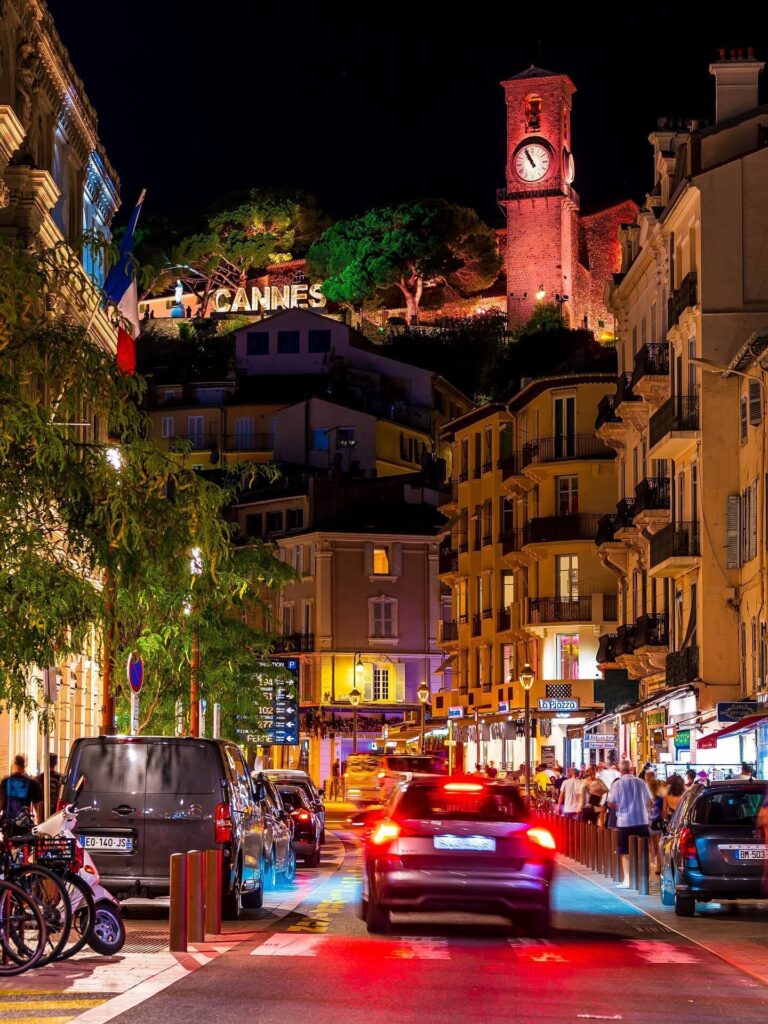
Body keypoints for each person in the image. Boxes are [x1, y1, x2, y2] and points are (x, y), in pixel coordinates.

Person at [607, 760, 651, 888]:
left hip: (624, 822)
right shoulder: (641, 782)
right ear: (632, 769)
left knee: (625, 852)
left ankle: (627, 879)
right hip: (642, 821)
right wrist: (645, 811)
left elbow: (610, 803)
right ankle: (644, 878)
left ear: (621, 770)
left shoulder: (617, 784)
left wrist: (620, 806)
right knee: (643, 851)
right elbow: (649, 801)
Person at [0, 755, 43, 835]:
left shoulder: (6, 781)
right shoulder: (32, 783)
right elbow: (37, 806)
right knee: (24, 841)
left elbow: (1, 802)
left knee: (9, 842)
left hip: (8, 824)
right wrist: (40, 823)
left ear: (14, 764)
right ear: (25, 765)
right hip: (25, 824)